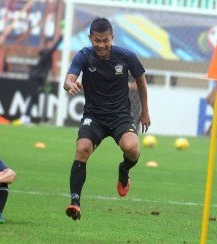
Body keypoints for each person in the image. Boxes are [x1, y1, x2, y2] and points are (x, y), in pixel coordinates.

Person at [63, 17, 151, 221]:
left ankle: (123, 171)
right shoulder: (84, 56)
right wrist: (71, 85)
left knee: (133, 149)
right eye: (96, 40)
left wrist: (145, 111)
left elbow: (141, 79)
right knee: (82, 148)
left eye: (105, 40)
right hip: (94, 117)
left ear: (112, 37)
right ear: (90, 38)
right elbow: (68, 79)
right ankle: (75, 202)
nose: (101, 45)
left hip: (120, 116)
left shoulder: (126, 56)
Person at [20, 35, 63, 124]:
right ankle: (25, 117)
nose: (51, 45)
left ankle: (28, 117)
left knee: (34, 97)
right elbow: (53, 50)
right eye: (50, 43)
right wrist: (60, 38)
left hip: (38, 78)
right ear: (46, 44)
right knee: (33, 96)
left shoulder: (45, 53)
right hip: (35, 78)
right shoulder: (45, 52)